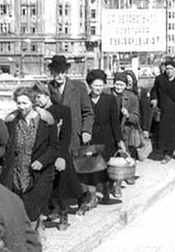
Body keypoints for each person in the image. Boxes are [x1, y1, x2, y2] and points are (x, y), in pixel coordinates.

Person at [0, 86, 61, 224]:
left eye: (25, 103)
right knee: (17, 209)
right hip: (16, 172)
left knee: (33, 209)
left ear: (33, 103)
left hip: (38, 173)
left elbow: (54, 147)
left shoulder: (46, 122)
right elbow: (6, 144)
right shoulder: (11, 122)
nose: (21, 107)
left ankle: (36, 238)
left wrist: (42, 161)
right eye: (19, 103)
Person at [33, 84, 82, 228]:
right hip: (44, 154)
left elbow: (66, 135)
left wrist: (61, 156)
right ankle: (52, 211)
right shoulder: (37, 112)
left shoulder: (62, 110)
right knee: (46, 186)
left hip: (59, 152)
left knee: (60, 187)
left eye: (39, 96)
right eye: (34, 97)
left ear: (48, 96)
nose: (36, 100)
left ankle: (64, 216)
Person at [79, 70, 124, 205]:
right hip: (91, 139)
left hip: (107, 139)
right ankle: (92, 196)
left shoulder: (110, 100)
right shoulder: (85, 100)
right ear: (89, 86)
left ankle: (106, 191)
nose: (98, 88)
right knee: (91, 168)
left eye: (101, 85)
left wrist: (119, 140)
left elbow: (115, 122)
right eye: (95, 85)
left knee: (105, 168)